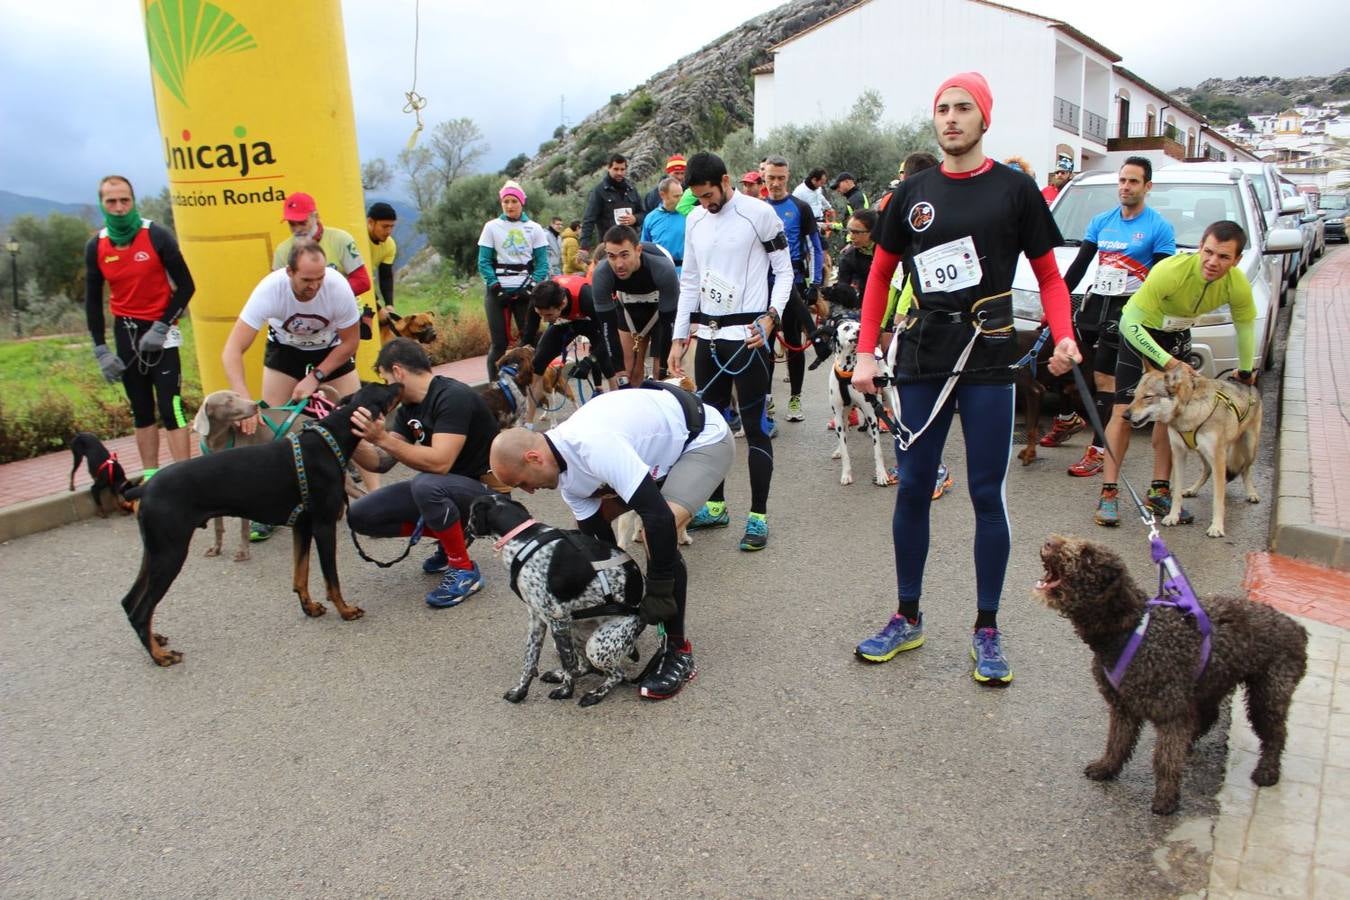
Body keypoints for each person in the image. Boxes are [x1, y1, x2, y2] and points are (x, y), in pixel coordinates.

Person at [850, 72, 1081, 684]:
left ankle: (986, 628)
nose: (951, 118)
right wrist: (868, 352)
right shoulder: (912, 193)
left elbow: (1051, 277)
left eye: (963, 108)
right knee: (913, 486)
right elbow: (879, 276)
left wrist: (1064, 333)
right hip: (924, 353)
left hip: (988, 355)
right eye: (943, 109)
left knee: (986, 494)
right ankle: (907, 616)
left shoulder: (1015, 189)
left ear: (985, 118)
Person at [489, 384, 735, 700]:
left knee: (655, 533)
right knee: (629, 533)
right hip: (658, 454)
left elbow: (657, 517)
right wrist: (612, 619)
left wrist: (658, 590)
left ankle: (677, 650)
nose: (529, 493)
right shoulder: (570, 483)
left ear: (534, 458)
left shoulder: (593, 444)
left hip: (702, 439)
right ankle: (649, 628)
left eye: (522, 483)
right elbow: (602, 553)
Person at [668, 152, 793, 551]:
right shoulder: (694, 219)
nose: (705, 203)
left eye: (708, 195)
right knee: (711, 428)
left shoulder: (757, 214)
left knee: (755, 427)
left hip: (751, 336)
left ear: (725, 181)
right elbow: (689, 279)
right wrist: (679, 335)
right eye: (699, 198)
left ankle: (758, 515)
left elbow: (785, 270)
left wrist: (772, 316)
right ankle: (717, 506)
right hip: (709, 337)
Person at [1095, 220, 1256, 527]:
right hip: (1140, 334)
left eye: (1223, 257)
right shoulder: (1171, 271)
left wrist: (1246, 368)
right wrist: (1166, 362)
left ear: (1236, 260)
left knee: (1171, 415)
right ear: (1200, 248)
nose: (1212, 262)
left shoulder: (1236, 284)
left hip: (1177, 336)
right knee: (1123, 413)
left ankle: (1159, 490)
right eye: (1208, 252)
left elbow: (1245, 324)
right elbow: (1130, 324)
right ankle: (1109, 493)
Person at [1045, 157, 1177, 483]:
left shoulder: (1158, 227)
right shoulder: (1102, 221)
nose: (1125, 187)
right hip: (1096, 306)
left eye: (1133, 182)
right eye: (1122, 181)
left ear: (1147, 187)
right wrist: (1055, 307)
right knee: (1075, 366)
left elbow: (1160, 280)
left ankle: (1099, 449)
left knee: (1108, 380)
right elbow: (1078, 266)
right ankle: (1073, 420)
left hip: (1129, 312)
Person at [348, 339, 500, 607]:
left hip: (487, 496)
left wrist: (382, 438)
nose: (387, 386)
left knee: (426, 484)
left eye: (384, 377)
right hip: (447, 490)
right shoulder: (408, 408)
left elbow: (440, 462)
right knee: (361, 514)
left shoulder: (453, 396)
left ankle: (464, 569)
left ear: (397, 371)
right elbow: (381, 462)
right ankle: (452, 536)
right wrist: (348, 436)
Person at [84, 174, 196, 477]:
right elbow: (92, 302)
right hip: (127, 333)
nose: (119, 207)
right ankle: (151, 479)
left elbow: (186, 287)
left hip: (162, 332)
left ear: (133, 201)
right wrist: (101, 350)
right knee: (141, 409)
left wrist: (161, 326)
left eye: (125, 200)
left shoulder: (156, 235)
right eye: (112, 201)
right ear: (102, 205)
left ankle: (184, 481)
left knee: (171, 406)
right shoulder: (97, 245)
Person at [763, 155, 825, 424]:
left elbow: (815, 247)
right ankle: (766, 398)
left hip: (795, 284)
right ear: (764, 177)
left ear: (788, 177)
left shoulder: (799, 207)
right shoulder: (757, 208)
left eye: (780, 178)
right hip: (763, 286)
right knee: (763, 343)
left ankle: (795, 397)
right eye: (771, 178)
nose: (775, 183)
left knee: (794, 343)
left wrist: (816, 284)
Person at [591, 225, 681, 386]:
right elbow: (607, 327)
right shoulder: (602, 273)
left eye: (624, 255)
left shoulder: (662, 268)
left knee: (663, 376)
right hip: (628, 307)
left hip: (659, 308)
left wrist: (663, 369)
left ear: (638, 250)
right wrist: (619, 373)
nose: (618, 264)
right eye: (612, 256)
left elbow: (669, 324)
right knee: (628, 373)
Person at [479, 180, 550, 379]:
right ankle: (496, 386)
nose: (510, 206)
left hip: (525, 290)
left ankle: (533, 381)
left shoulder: (534, 228)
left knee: (530, 339)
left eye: (514, 201)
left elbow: (542, 264)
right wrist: (495, 287)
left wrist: (530, 288)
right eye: (506, 201)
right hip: (497, 292)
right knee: (498, 343)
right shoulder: (491, 227)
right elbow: (483, 262)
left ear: (522, 203)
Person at [527, 276, 618, 395]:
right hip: (568, 318)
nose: (544, 320)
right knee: (538, 361)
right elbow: (528, 334)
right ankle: (529, 413)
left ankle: (615, 398)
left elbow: (608, 338)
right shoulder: (540, 300)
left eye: (548, 315)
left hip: (593, 316)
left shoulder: (588, 299)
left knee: (607, 361)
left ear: (562, 303)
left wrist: (589, 361)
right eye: (540, 314)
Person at [272, 192, 371, 298]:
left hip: (342, 310)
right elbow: (277, 291)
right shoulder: (282, 251)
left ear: (316, 217)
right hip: (304, 312)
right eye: (292, 224)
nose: (297, 229)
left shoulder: (341, 239)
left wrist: (325, 298)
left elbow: (362, 281)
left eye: (302, 222)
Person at [579, 154, 645, 253]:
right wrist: (584, 247)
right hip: (609, 247)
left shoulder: (632, 189)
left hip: (631, 246)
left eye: (622, 169)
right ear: (609, 168)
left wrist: (635, 219)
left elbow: (643, 214)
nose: (619, 173)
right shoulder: (599, 191)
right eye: (616, 169)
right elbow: (589, 219)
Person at [639, 176, 687, 273]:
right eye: (676, 196)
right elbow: (644, 248)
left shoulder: (689, 214)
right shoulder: (650, 218)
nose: (680, 199)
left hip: (686, 271)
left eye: (681, 195)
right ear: (663, 195)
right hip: (659, 271)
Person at [366, 201, 398, 332]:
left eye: (392, 226)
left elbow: (385, 276)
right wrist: (378, 308)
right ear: (371, 222)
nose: (389, 231)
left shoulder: (390, 245)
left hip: (367, 285)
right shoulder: (358, 239)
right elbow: (358, 276)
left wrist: (389, 304)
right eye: (385, 226)